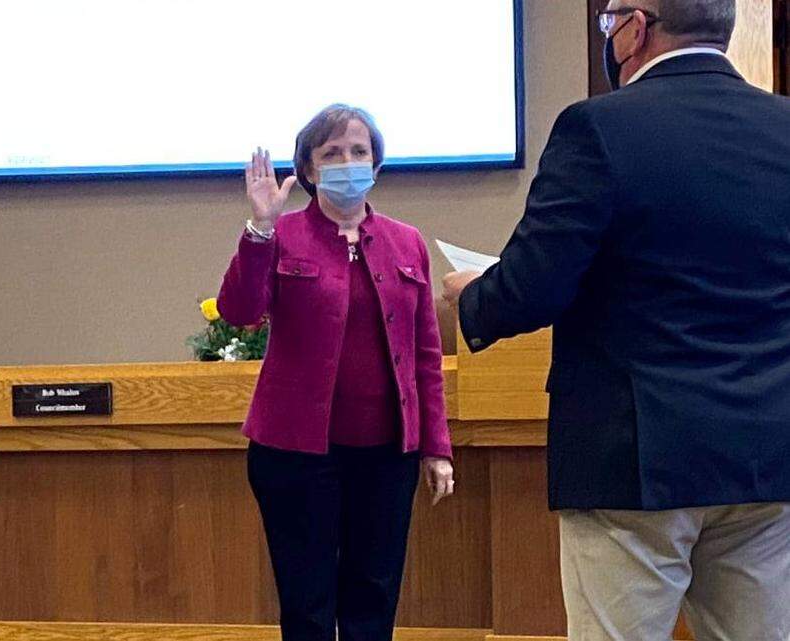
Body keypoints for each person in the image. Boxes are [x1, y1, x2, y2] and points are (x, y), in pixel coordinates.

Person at [442, 1, 790, 639]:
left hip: (634, 455)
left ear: (637, 26)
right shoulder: (784, 128)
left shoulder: (597, 128)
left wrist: (472, 295)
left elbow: (535, 285)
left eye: (610, 21)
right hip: (767, 453)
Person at [217, 104, 454, 641]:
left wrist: (436, 446)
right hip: (297, 454)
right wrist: (260, 228)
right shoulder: (284, 234)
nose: (347, 162)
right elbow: (240, 311)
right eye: (331, 153)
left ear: (376, 162)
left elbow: (425, 355)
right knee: (308, 604)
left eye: (358, 151)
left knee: (374, 599)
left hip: (386, 455)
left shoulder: (406, 241)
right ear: (308, 169)